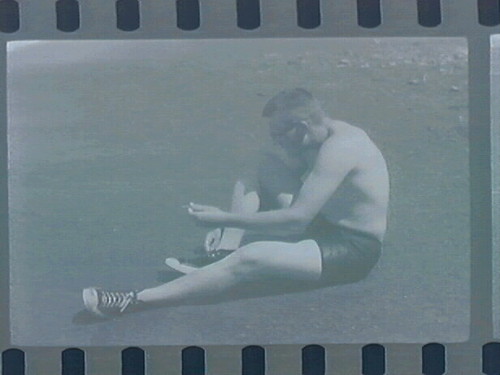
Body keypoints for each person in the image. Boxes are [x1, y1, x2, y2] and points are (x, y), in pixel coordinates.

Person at [82, 88, 390, 318]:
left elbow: (296, 219)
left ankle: (134, 300)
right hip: (322, 225)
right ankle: (223, 252)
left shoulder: (343, 147)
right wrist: (234, 224)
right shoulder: (313, 137)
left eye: (279, 134)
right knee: (261, 165)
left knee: (252, 257)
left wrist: (224, 219)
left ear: (301, 126)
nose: (276, 141)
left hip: (352, 249)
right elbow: (286, 193)